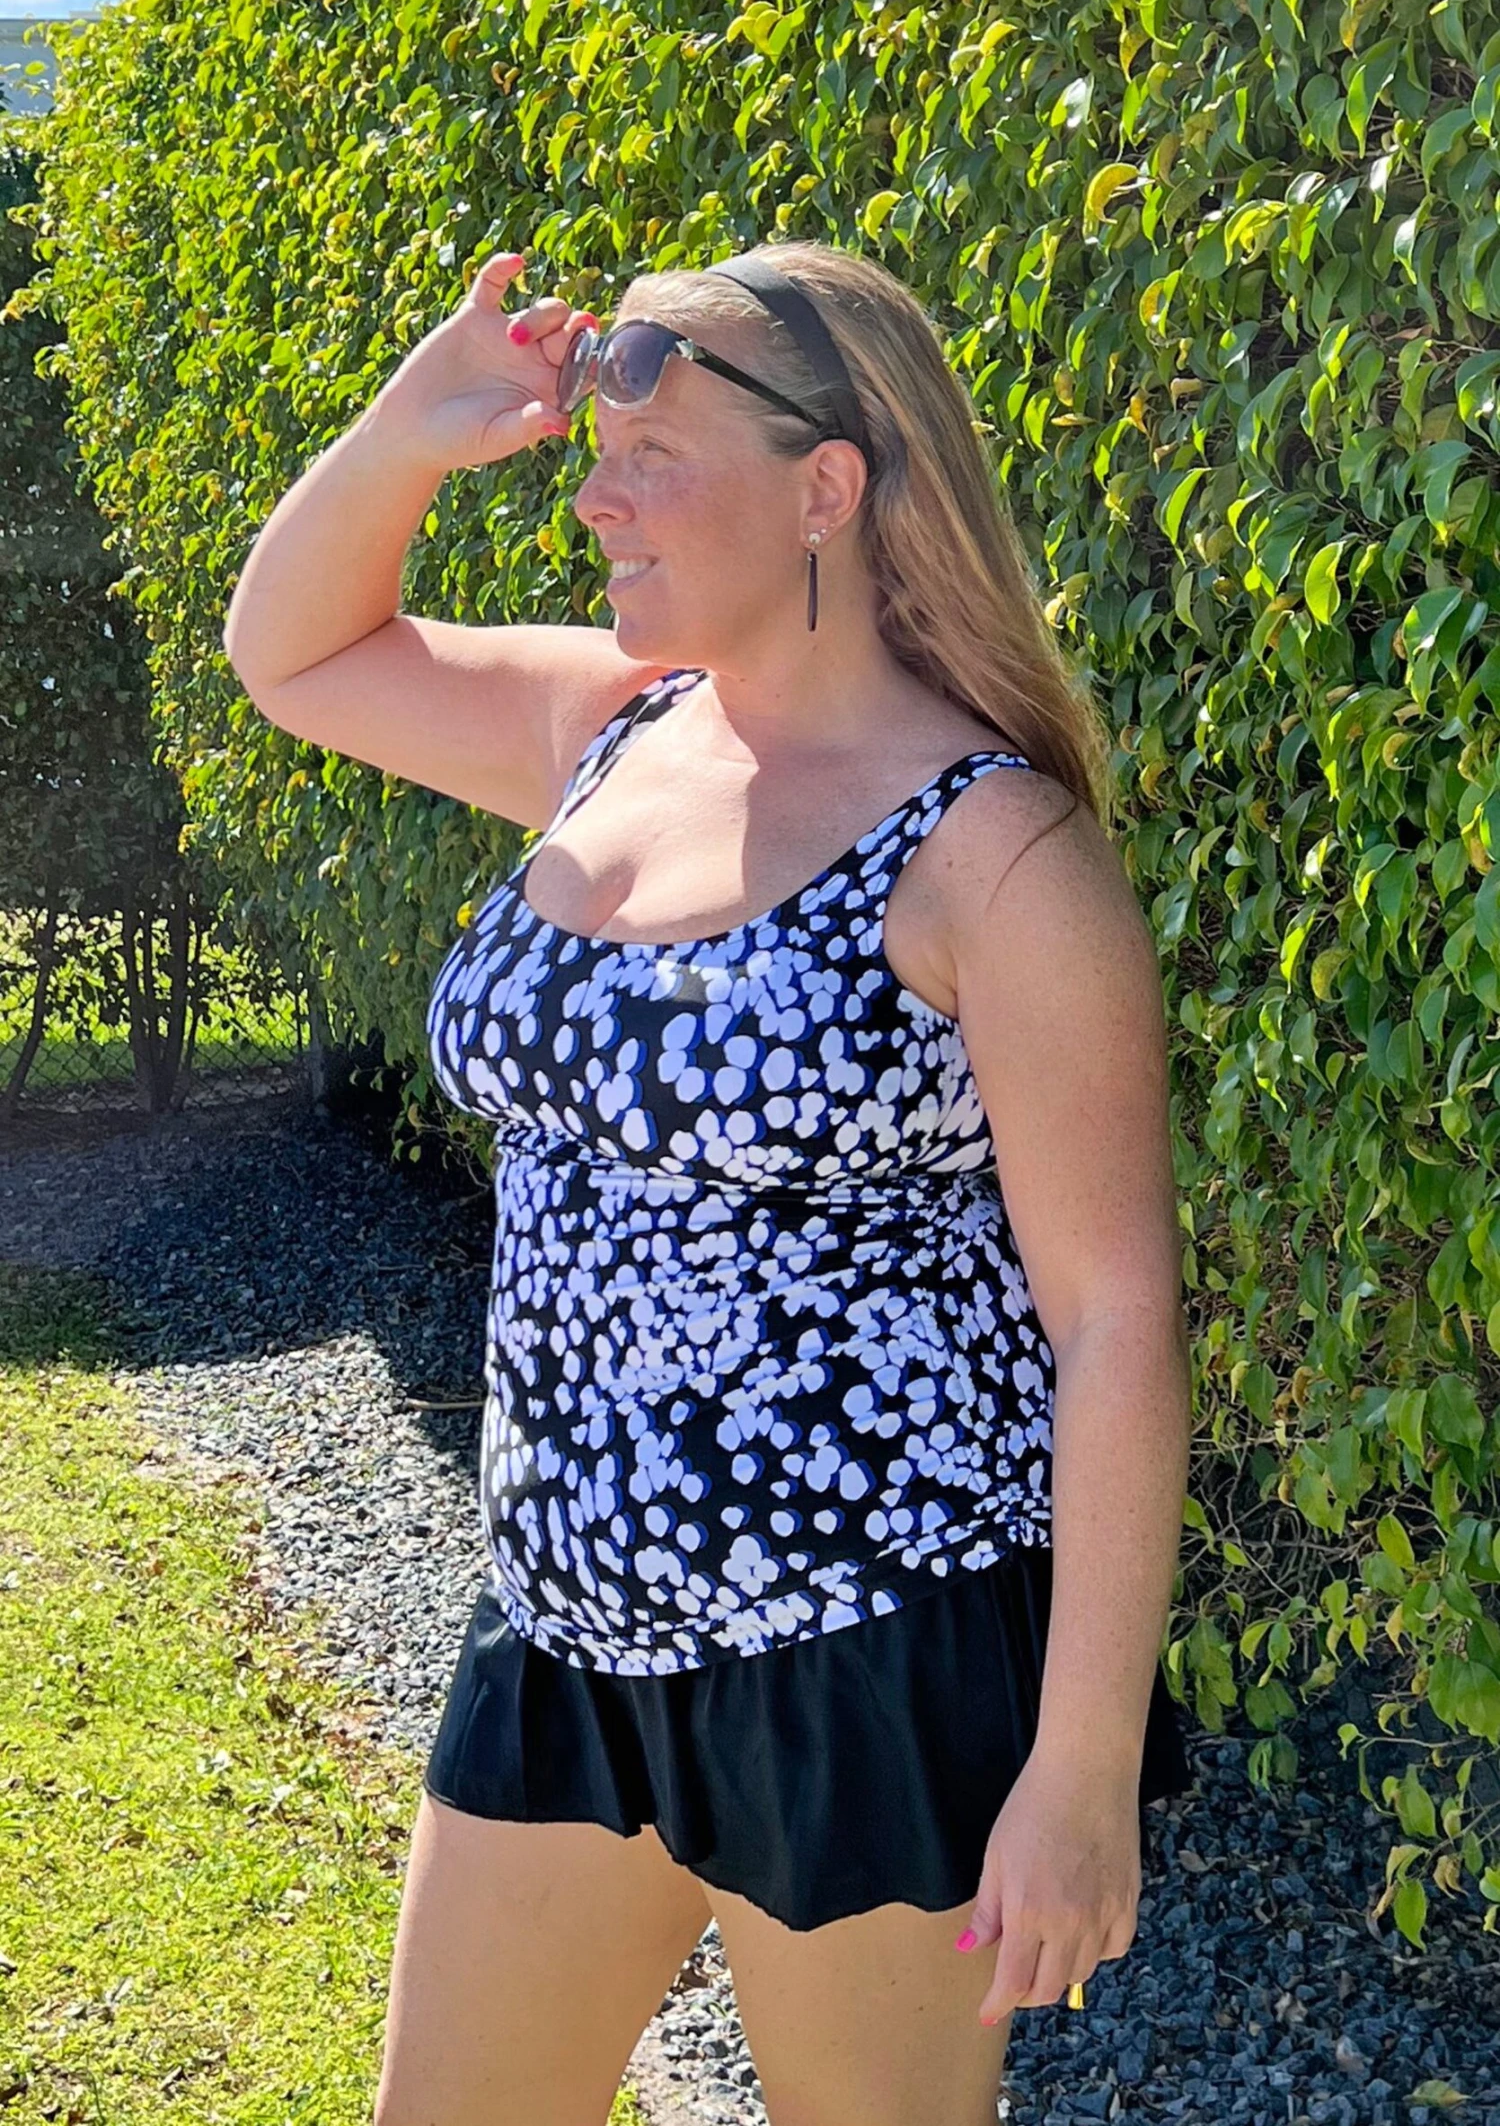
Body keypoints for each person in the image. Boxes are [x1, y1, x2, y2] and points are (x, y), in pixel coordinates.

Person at [223, 235, 1194, 2126]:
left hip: (862, 1640)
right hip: (563, 1625)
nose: (595, 498)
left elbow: (1116, 1319)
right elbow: (296, 653)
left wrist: (1079, 1769)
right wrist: (415, 424)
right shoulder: (612, 730)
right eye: (599, 455)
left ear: (827, 487)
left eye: (651, 458)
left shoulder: (996, 857)